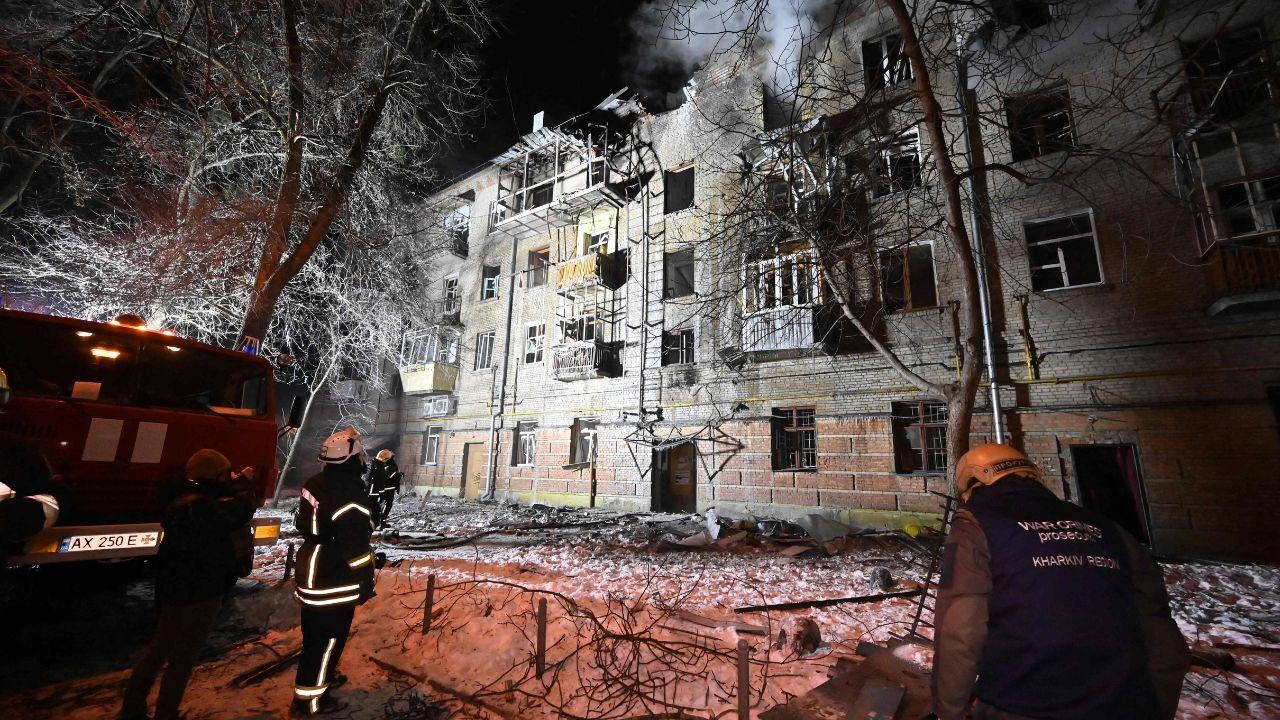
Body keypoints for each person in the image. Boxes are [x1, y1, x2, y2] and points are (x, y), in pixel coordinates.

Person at [930, 443, 1189, 720]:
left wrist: (948, 710)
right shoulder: (1107, 528)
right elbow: (1160, 632)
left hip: (1021, 701)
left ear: (973, 483)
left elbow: (960, 629)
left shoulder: (978, 523)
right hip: (1123, 701)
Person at [120, 449, 255, 720]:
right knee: (182, 656)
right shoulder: (202, 506)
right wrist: (242, 484)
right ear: (214, 476)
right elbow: (239, 511)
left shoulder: (182, 499)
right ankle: (166, 712)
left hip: (173, 587)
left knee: (159, 647)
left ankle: (132, 706)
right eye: (224, 473)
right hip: (200, 591)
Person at [290, 427, 376, 717]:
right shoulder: (349, 494)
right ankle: (310, 701)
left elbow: (311, 521)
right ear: (350, 460)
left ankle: (320, 679)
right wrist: (366, 580)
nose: (364, 460)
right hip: (333, 576)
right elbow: (356, 548)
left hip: (310, 567)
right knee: (327, 641)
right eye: (360, 455)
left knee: (313, 638)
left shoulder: (316, 483)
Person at [365, 448, 403, 529]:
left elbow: (378, 481)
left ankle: (375, 524)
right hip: (376, 492)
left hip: (376, 491)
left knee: (376, 508)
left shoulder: (377, 465)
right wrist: (400, 475)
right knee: (376, 509)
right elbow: (377, 481)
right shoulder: (380, 467)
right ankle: (375, 525)